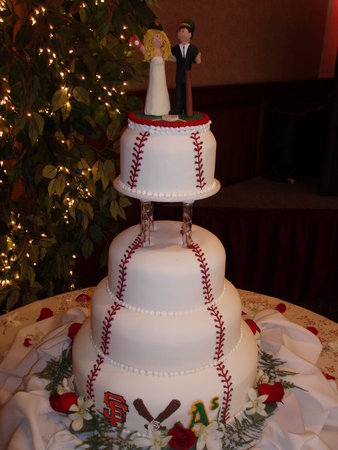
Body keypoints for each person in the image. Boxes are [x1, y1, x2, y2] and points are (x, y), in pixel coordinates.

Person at [130, 22, 172, 116]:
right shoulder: (150, 52)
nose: (160, 38)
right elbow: (141, 48)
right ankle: (153, 110)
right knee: (154, 91)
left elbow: (172, 57)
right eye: (157, 36)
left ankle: (164, 109)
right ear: (150, 37)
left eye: (161, 36)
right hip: (154, 78)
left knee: (162, 91)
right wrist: (138, 44)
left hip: (162, 78)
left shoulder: (163, 52)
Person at [170, 19, 201, 115]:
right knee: (178, 92)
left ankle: (188, 110)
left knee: (188, 93)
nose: (181, 32)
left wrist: (198, 58)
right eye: (180, 31)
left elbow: (196, 60)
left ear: (190, 35)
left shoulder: (193, 48)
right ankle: (178, 108)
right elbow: (172, 57)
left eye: (183, 31)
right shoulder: (175, 48)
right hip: (179, 75)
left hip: (187, 75)